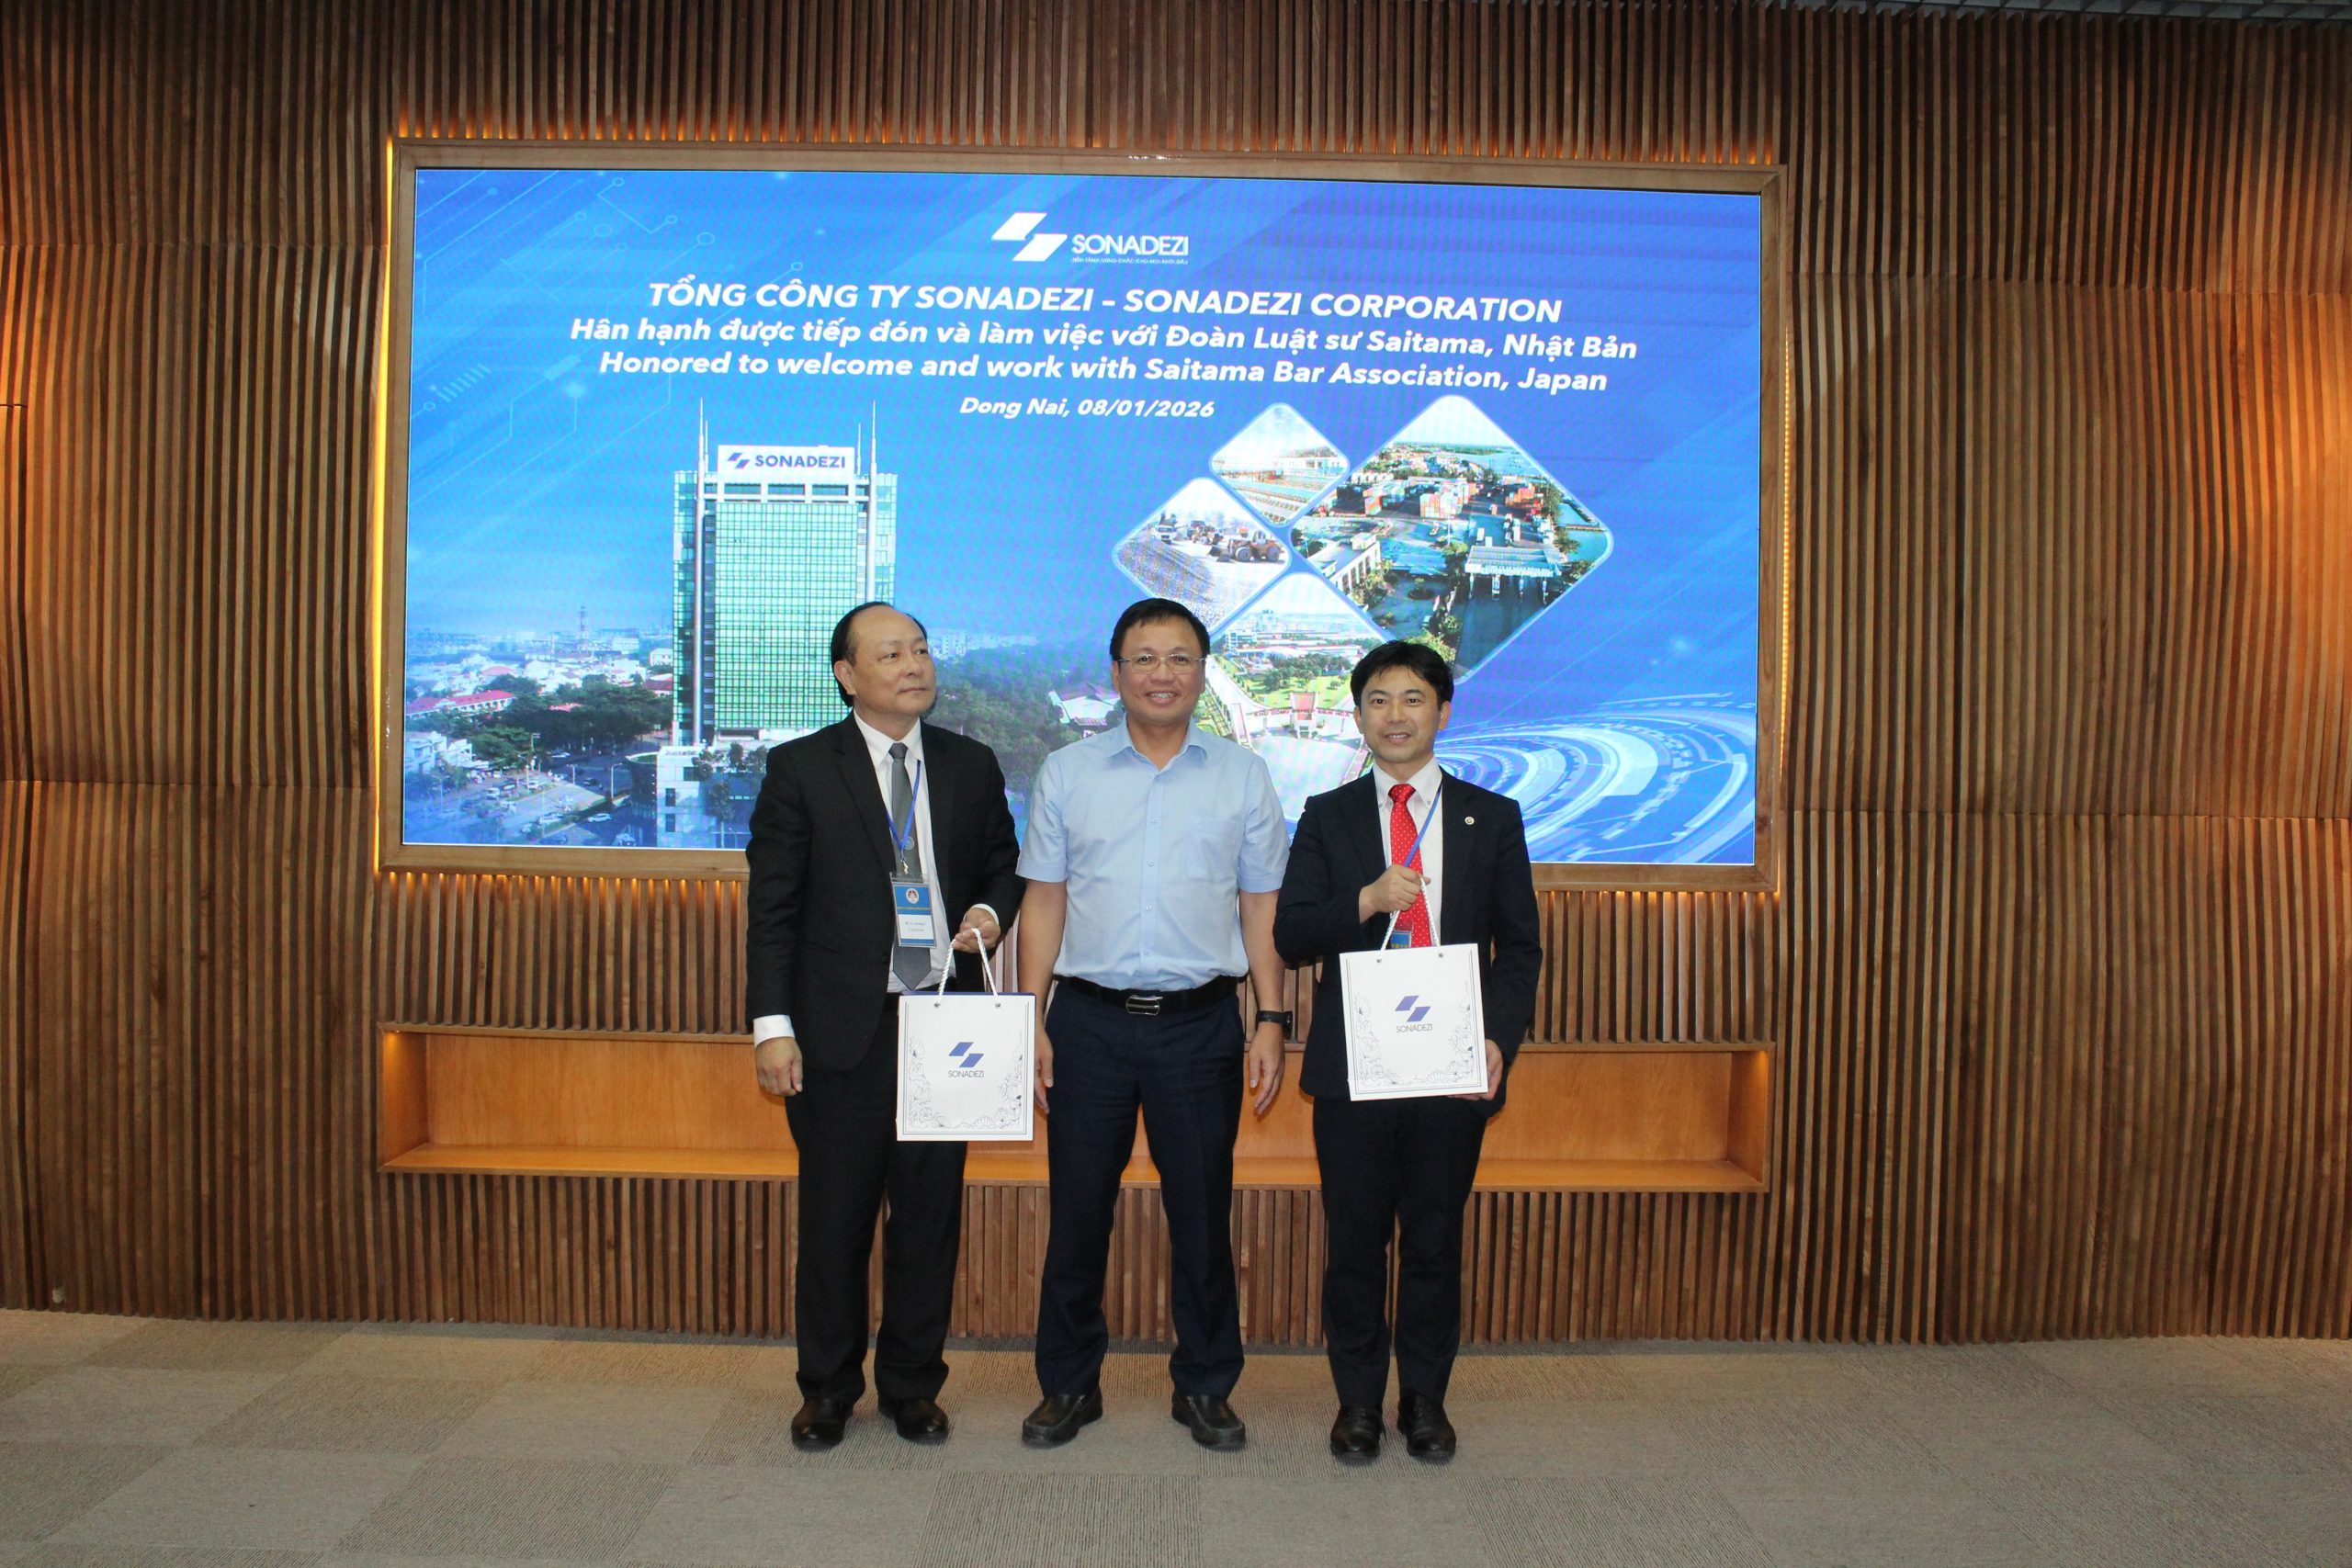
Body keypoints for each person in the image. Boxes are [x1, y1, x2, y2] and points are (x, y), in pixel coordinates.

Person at [745, 602, 1023, 1450]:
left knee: (928, 1220)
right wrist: (771, 1025)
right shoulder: (801, 767)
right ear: (847, 674)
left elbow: (1003, 866)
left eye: (922, 649)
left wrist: (988, 912)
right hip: (842, 1032)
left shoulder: (970, 764)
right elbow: (773, 908)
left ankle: (912, 1385)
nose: (914, 665)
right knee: (836, 1220)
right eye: (892, 652)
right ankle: (828, 1387)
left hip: (944, 1025)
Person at [1014, 597, 1290, 1450]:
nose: (1161, 673)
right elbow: (1044, 900)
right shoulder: (1068, 771)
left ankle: (1205, 1384)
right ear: (1117, 672)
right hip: (1087, 1023)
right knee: (1078, 1214)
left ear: (1202, 672)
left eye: (1179, 658)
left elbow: (1262, 907)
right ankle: (1069, 1384)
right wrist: (1030, 1019)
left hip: (1199, 1026)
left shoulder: (1242, 774)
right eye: (1144, 657)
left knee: (1202, 1216)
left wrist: (1271, 1016)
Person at [1273, 640, 1542, 1461]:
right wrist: (1364, 898)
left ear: (1443, 711)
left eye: (1414, 698)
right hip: (1357, 1066)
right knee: (1356, 1242)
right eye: (1379, 700)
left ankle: (1424, 1398)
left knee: (1432, 1239)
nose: (1396, 715)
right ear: (1358, 716)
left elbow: (1519, 948)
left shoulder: (1491, 815)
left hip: (1451, 1062)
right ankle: (1357, 1402)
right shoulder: (1328, 814)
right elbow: (1291, 935)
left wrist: (1497, 1040)